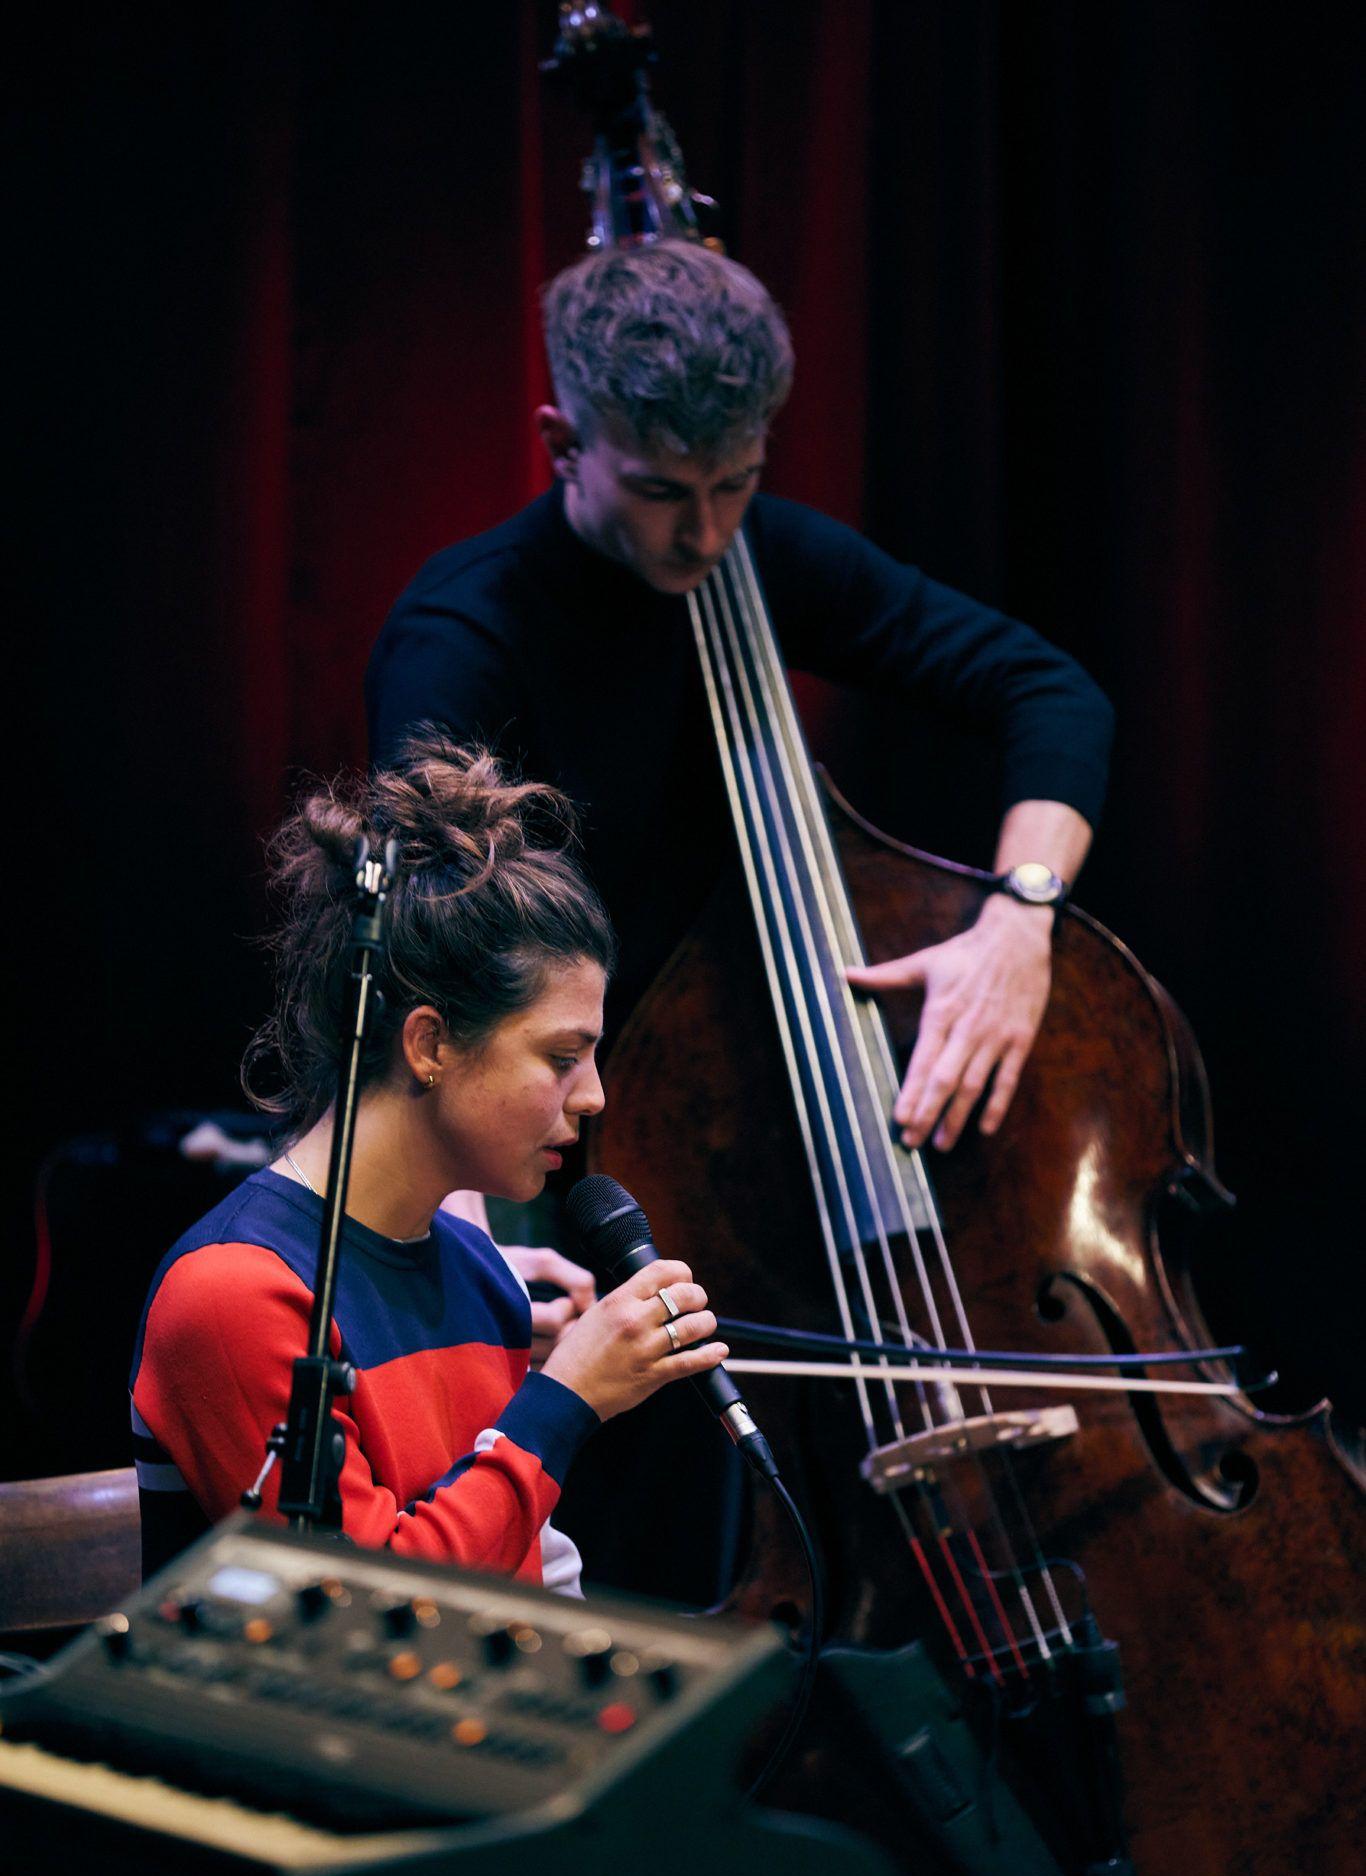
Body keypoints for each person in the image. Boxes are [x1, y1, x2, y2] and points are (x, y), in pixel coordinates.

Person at [365, 240, 1114, 1171]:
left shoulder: (766, 555)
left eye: (737, 481)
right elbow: (423, 937)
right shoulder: (460, 633)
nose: (708, 533)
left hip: (773, 1098)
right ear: (563, 445)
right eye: (660, 491)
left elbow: (1048, 690)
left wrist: (1019, 917)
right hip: (545, 1119)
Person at [129, 731, 728, 1583]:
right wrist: (565, 1401)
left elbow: (519, 1579)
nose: (593, 1096)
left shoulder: (477, 1269)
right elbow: (372, 1614)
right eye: (562, 1058)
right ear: (429, 1044)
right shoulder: (237, 1292)